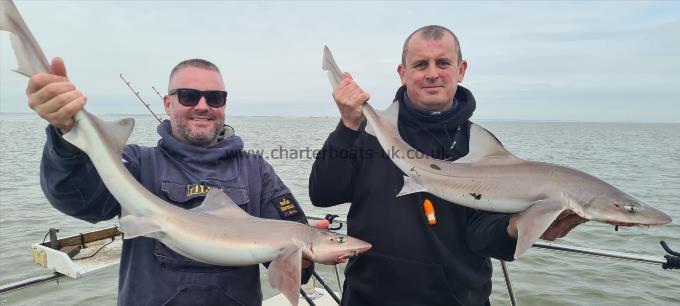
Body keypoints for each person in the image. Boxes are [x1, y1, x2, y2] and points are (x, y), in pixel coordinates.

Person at [309, 25, 586, 306]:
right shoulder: (367, 134)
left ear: (461, 69)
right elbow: (323, 194)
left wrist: (522, 227)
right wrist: (347, 126)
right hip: (368, 298)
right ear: (402, 73)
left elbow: (482, 236)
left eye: (442, 63)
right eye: (420, 64)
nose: (432, 74)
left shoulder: (480, 146)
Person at [27, 57, 314, 305]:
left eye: (215, 98)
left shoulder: (256, 170)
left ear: (224, 105)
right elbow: (78, 200)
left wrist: (309, 252)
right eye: (189, 96)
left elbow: (293, 260)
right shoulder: (137, 164)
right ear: (167, 103)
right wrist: (64, 139)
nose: (203, 106)